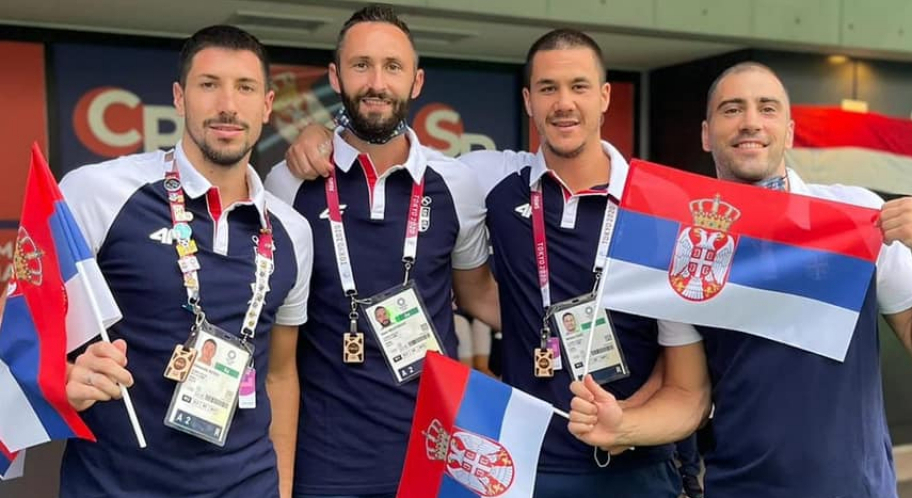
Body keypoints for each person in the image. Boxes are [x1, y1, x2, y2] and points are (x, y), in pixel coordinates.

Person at [286, 28, 710, 498]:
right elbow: (389, 148)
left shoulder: (658, 210)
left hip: (636, 472)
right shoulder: (489, 180)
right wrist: (324, 134)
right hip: (521, 466)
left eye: (579, 87)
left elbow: (689, 393)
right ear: (528, 100)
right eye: (548, 88)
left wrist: (624, 426)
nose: (564, 103)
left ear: (606, 96)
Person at [568, 61, 912, 498]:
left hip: (856, 488)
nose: (751, 122)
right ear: (706, 132)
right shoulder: (684, 247)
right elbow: (689, 397)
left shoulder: (855, 219)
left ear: (790, 132)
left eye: (767, 108)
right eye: (732, 109)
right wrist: (623, 425)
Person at [59, 25, 313, 498]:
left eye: (245, 88)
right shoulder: (96, 192)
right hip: (117, 485)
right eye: (209, 84)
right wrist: (61, 374)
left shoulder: (293, 232)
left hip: (247, 484)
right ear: (179, 97)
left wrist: (281, 488)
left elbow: (279, 373)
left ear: (267, 104)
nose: (228, 106)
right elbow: (19, 324)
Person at [264, 5, 498, 497]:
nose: (376, 82)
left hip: (436, 456)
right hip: (324, 464)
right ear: (335, 76)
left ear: (416, 82)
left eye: (393, 67)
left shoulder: (456, 183)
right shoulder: (289, 182)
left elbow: (479, 297)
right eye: (361, 65)